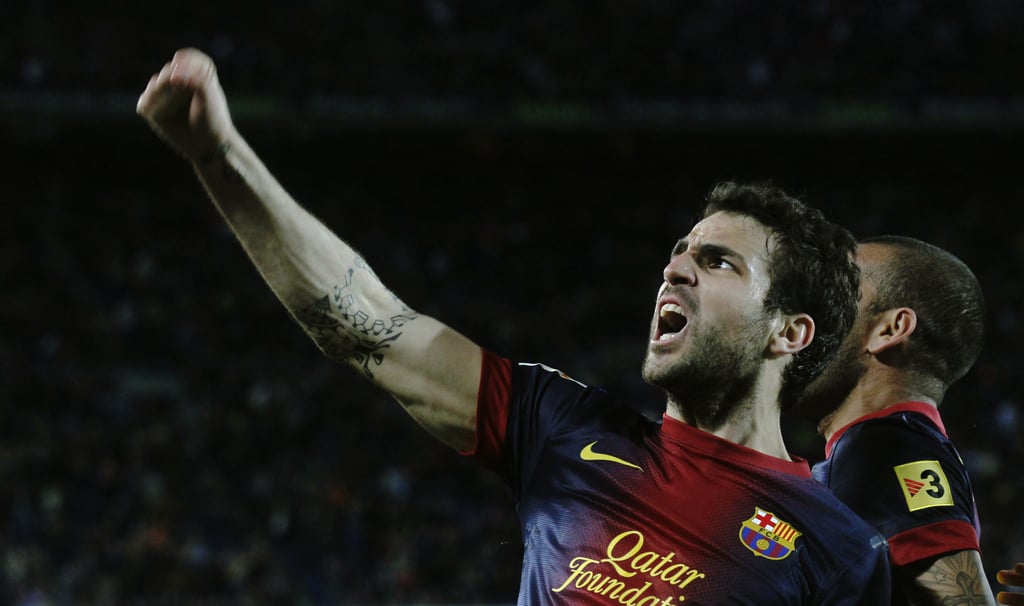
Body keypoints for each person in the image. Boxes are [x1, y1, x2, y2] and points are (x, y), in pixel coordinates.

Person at [137, 47, 891, 604]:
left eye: (719, 262)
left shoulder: (839, 548)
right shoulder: (560, 427)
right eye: (678, 251)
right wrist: (218, 153)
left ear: (787, 333)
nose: (677, 269)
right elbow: (364, 324)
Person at [797, 235, 997, 605]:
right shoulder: (885, 444)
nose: (811, 311)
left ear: (888, 330)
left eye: (839, 291)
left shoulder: (885, 446)